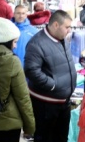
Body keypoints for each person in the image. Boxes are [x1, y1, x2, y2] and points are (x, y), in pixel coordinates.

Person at [24, 10, 76, 142]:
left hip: (63, 103)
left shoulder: (62, 39)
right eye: (67, 27)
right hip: (46, 104)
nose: (69, 30)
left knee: (61, 138)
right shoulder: (37, 43)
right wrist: (52, 85)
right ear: (56, 25)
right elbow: (31, 70)